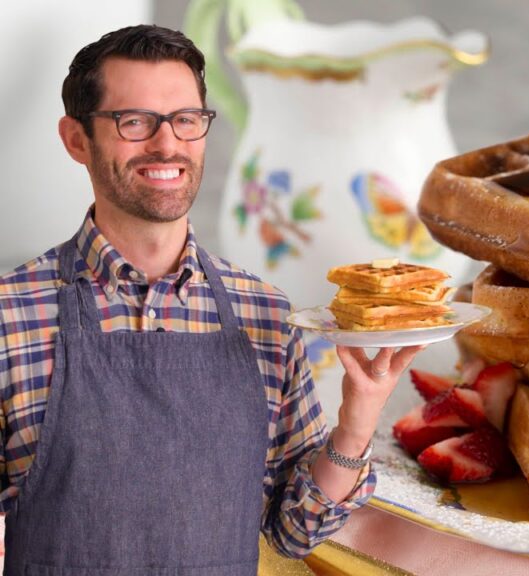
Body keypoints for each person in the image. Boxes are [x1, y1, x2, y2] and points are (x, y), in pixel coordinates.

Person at [0, 24, 422, 573]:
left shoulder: (264, 312)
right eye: (134, 121)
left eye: (185, 120)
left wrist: (358, 419)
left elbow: (294, 532)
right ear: (77, 139)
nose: (167, 144)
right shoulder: (11, 314)